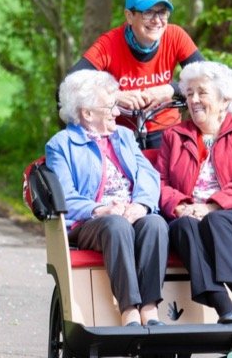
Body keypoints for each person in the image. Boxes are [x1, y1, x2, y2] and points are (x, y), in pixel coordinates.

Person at [45, 69, 169, 327]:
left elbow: (148, 174)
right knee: (116, 224)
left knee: (155, 223)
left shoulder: (123, 136)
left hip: (129, 211)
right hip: (90, 222)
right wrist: (102, 209)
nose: (117, 113)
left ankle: (149, 307)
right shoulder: (61, 144)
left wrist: (141, 205)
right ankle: (128, 309)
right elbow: (65, 195)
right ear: (87, 113)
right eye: (110, 106)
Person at [156, 61, 232, 324]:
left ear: (225, 99)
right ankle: (223, 306)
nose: (194, 100)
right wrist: (179, 206)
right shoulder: (174, 136)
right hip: (188, 216)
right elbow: (160, 181)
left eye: (202, 93)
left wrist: (212, 206)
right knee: (183, 225)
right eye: (189, 94)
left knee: (215, 221)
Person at [69, 0, 204, 148]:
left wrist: (170, 89)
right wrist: (114, 96)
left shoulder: (175, 36)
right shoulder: (109, 45)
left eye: (162, 12)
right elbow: (69, 85)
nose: (157, 20)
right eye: (148, 13)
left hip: (166, 128)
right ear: (129, 16)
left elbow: (208, 79)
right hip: (119, 134)